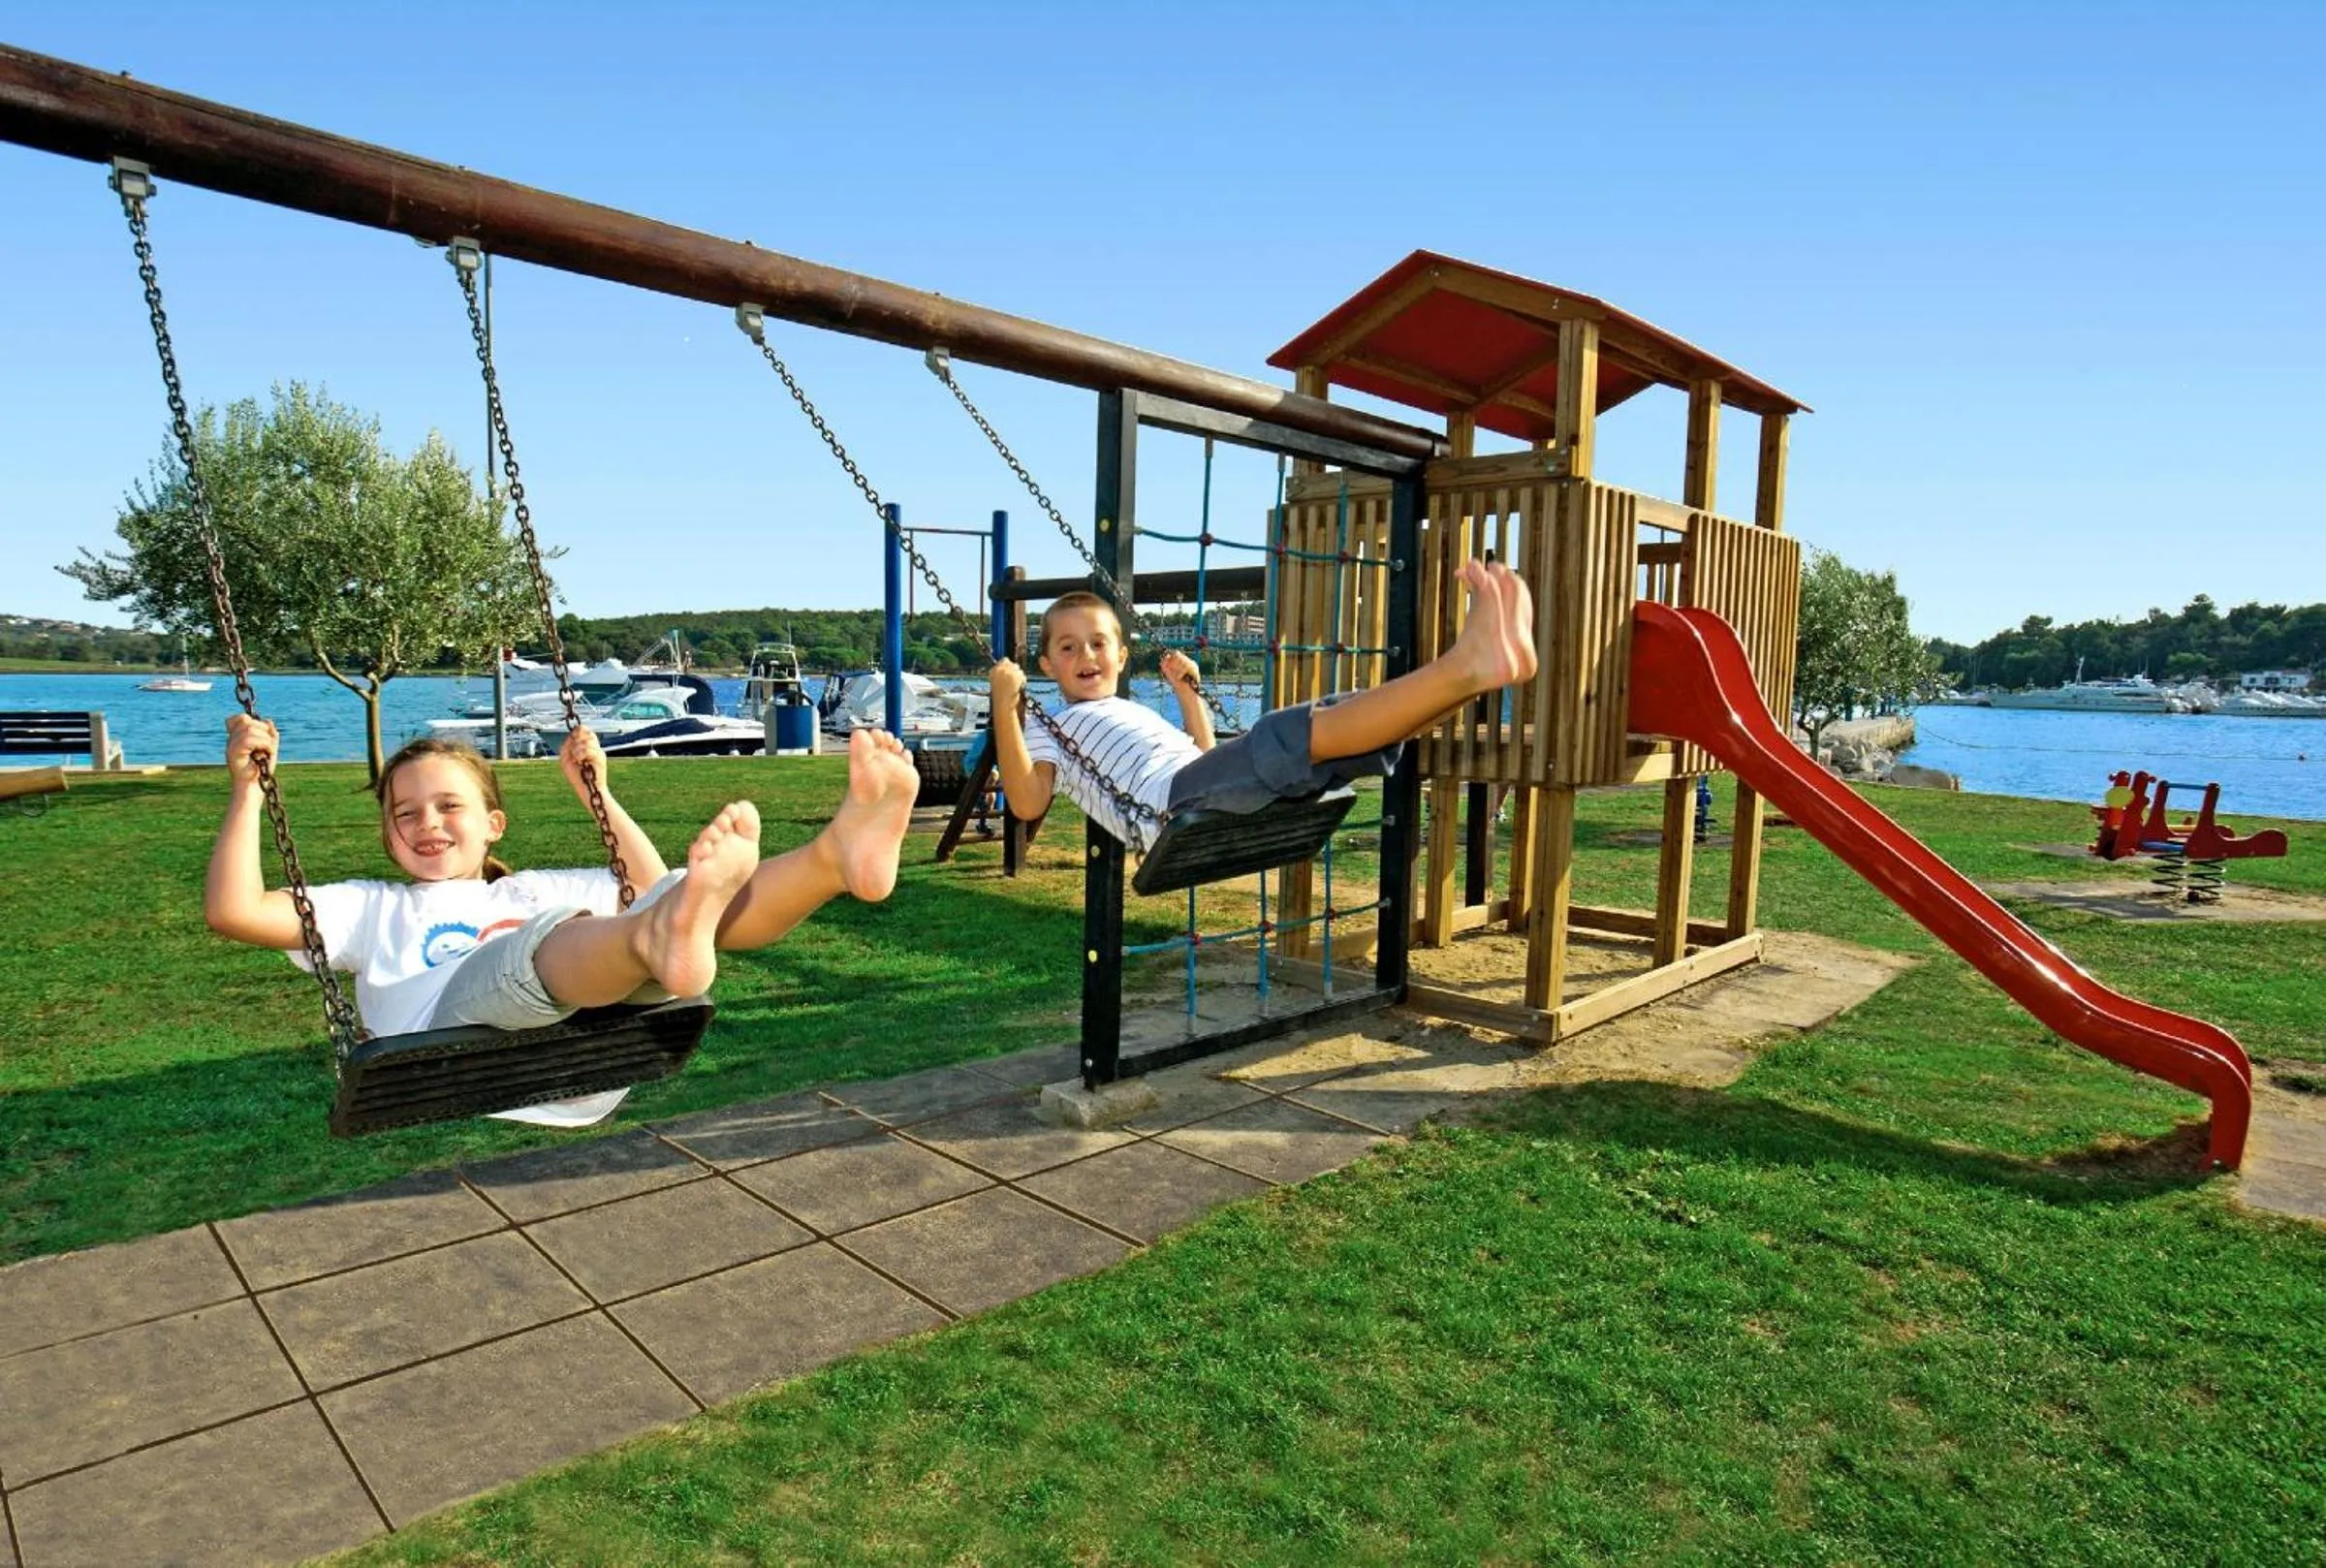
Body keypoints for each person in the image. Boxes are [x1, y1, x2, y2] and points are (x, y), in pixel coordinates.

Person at [205, 717, 919, 1126]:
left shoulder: (529, 889)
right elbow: (234, 912)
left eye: (449, 806)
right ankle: (657, 941)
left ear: (493, 824)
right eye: (405, 814)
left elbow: (647, 884)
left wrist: (597, 794)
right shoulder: (371, 908)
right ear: (389, 838)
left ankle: (832, 859)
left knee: (671, 897)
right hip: (453, 1049)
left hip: (579, 1059)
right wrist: (248, 793)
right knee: (561, 942)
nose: (427, 823)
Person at [988, 557, 1536, 854]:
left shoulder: (1133, 713)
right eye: (1067, 647)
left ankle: (1473, 677)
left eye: (1098, 643)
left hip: (1198, 786)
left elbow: (1204, 754)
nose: (1086, 654)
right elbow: (1027, 802)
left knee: (1341, 717)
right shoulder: (1053, 726)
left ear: (1122, 656)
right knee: (1281, 734)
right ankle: (1468, 665)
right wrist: (1006, 706)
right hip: (1173, 807)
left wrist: (1187, 695)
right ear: (1047, 667)